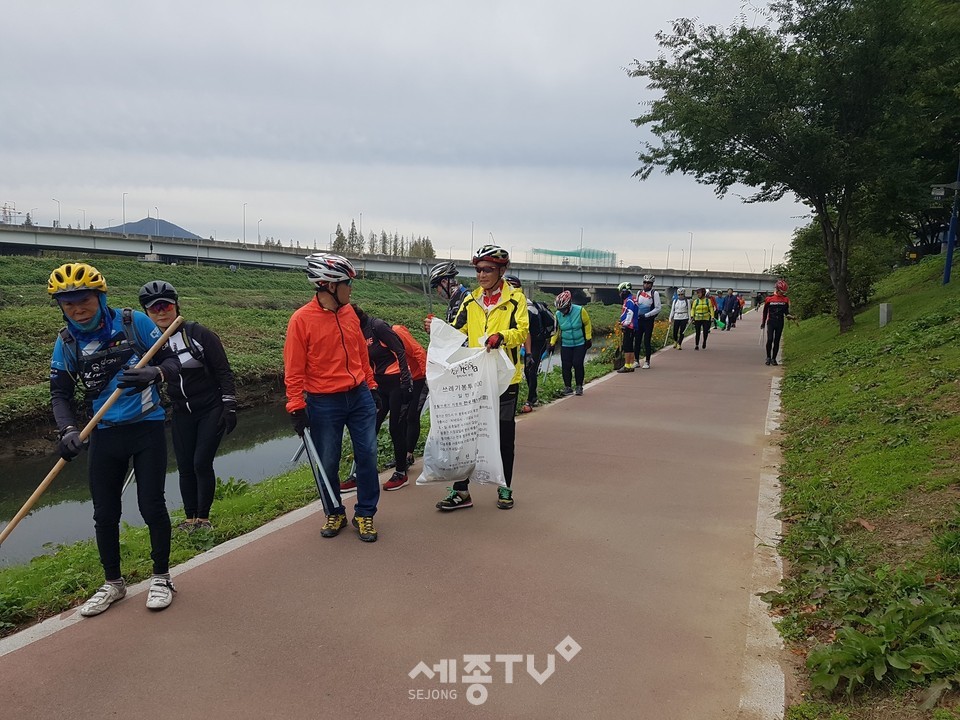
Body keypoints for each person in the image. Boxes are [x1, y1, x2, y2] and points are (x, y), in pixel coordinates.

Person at [48, 262, 181, 616]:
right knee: (104, 512)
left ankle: (162, 577)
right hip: (103, 432)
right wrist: (68, 430)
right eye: (68, 303)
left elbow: (173, 362)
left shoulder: (132, 322)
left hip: (146, 426)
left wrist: (155, 373)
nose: (77, 309)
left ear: (100, 296)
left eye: (84, 300)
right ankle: (113, 583)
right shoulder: (66, 342)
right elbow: (60, 395)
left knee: (151, 504)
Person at [283, 253, 381, 542]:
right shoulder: (301, 321)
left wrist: (372, 386)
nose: (351, 288)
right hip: (324, 402)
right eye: (346, 283)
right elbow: (293, 368)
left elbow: (361, 352)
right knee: (327, 460)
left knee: (368, 454)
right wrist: (296, 406)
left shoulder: (350, 312)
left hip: (359, 395)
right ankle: (334, 511)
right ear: (327, 285)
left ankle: (365, 513)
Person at [425, 244, 529, 511]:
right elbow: (456, 331)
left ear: (502, 270)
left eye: (488, 270)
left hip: (506, 379)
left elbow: (521, 331)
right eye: (479, 270)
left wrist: (502, 337)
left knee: (505, 434)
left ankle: (505, 486)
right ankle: (461, 491)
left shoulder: (516, 299)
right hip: (475, 380)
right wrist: (436, 328)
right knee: (467, 434)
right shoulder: (471, 300)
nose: (482, 275)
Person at [138, 280, 237, 533]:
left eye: (166, 306)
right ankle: (189, 518)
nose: (161, 312)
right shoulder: (150, 343)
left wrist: (229, 405)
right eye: (154, 309)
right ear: (147, 313)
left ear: (176, 305)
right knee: (184, 465)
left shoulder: (198, 334)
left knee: (201, 463)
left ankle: (203, 519)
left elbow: (224, 371)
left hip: (210, 407)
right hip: (181, 411)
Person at [350, 304, 415, 492]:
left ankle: (401, 473)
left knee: (395, 428)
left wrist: (406, 382)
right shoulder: (356, 331)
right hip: (378, 385)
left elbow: (400, 351)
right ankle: (360, 474)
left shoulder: (377, 326)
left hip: (396, 383)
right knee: (370, 427)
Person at [504, 275, 554, 413]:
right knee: (525, 369)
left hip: (536, 342)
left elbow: (527, 332)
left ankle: (531, 400)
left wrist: (528, 352)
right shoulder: (513, 301)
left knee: (530, 370)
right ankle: (533, 396)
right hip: (526, 341)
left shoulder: (526, 306)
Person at [550, 290, 593, 396]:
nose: (562, 311)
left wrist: (588, 338)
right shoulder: (558, 314)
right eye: (560, 309)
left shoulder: (580, 310)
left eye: (564, 309)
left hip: (579, 343)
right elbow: (557, 330)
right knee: (566, 366)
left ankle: (579, 386)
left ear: (569, 304)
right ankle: (567, 387)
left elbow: (587, 323)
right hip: (566, 344)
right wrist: (552, 343)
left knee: (578, 364)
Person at [428, 260, 470, 326]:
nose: (438, 292)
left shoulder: (466, 298)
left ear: (444, 282)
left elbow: (460, 332)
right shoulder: (454, 299)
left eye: (437, 287)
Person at [761, 279, 794, 366]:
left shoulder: (786, 299)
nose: (782, 293)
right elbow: (765, 311)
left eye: (784, 292)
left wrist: (790, 316)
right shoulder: (769, 298)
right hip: (771, 321)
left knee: (776, 341)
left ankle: (774, 358)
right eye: (781, 291)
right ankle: (768, 357)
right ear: (777, 289)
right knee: (770, 339)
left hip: (780, 322)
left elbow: (786, 312)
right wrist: (763, 322)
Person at [633, 274, 661, 369]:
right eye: (645, 282)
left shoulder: (654, 293)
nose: (646, 285)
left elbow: (658, 308)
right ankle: (636, 360)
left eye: (648, 283)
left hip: (648, 321)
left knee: (646, 341)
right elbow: (636, 304)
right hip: (639, 320)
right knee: (637, 340)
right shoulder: (639, 292)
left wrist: (647, 315)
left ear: (652, 284)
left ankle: (647, 361)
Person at [616, 281, 639, 372]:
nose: (620, 294)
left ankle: (627, 365)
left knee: (627, 346)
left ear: (624, 291)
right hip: (632, 326)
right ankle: (630, 364)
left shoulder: (629, 300)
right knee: (630, 345)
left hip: (629, 327)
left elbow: (630, 313)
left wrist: (625, 324)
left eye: (621, 292)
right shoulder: (632, 299)